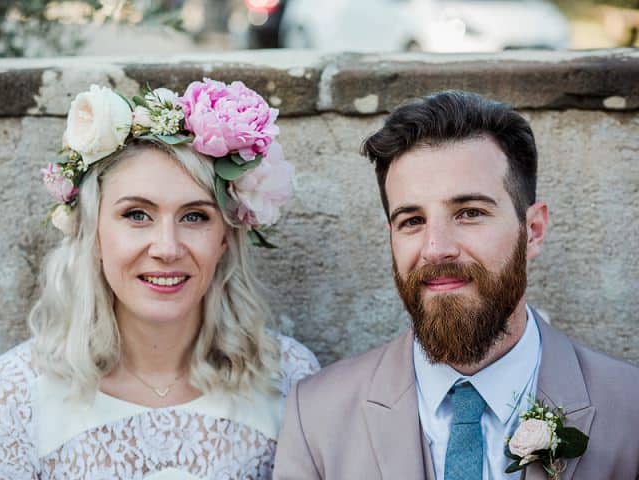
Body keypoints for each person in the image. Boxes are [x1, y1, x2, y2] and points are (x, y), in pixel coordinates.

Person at [274, 90, 639, 479]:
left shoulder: (630, 409)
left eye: (469, 213)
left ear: (532, 231)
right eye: (412, 221)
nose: (436, 249)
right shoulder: (315, 416)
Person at [0, 79, 319, 479]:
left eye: (194, 216)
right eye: (137, 215)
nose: (167, 248)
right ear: (94, 233)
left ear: (224, 238)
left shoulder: (288, 377)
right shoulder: (17, 390)